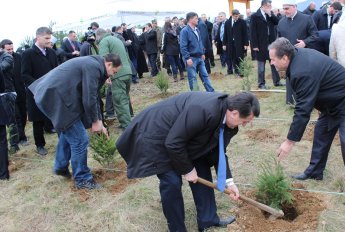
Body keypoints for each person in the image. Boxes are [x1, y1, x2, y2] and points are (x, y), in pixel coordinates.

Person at [116, 91, 260, 232]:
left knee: (202, 165)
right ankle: (177, 229)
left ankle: (208, 220)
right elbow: (173, 143)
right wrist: (188, 169)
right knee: (172, 181)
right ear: (234, 112)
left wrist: (229, 182)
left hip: (181, 137)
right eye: (245, 121)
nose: (245, 125)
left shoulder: (228, 121)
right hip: (155, 136)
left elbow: (217, 151)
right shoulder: (205, 110)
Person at [269, 38, 345, 206]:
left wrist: (289, 142)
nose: (271, 63)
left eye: (273, 59)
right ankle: (315, 171)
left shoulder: (302, 70)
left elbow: (303, 110)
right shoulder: (298, 58)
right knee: (321, 132)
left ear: (285, 57)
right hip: (331, 103)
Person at [28, 53, 121, 189]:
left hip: (50, 95)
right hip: (54, 97)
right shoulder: (94, 66)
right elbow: (89, 97)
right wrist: (95, 122)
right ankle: (82, 179)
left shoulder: (93, 63)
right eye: (114, 71)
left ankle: (60, 166)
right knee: (80, 139)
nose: (112, 75)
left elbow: (93, 96)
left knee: (69, 132)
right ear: (108, 64)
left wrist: (100, 122)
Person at [21, 27, 59, 156]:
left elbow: (57, 71)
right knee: (38, 120)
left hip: (52, 91)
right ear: (38, 37)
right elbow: (25, 75)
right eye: (46, 38)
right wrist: (40, 86)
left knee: (57, 116)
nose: (50, 41)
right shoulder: (28, 54)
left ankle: (62, 141)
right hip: (36, 92)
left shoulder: (52, 53)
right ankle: (40, 145)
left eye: (50, 38)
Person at [278, 0, 319, 105]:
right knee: (290, 77)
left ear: (295, 7)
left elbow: (315, 35)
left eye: (287, 8)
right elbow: (278, 39)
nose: (285, 11)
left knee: (304, 78)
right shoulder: (281, 22)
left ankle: (306, 100)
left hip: (303, 55)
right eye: (284, 9)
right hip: (287, 56)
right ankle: (291, 100)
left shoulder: (306, 18)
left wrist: (305, 42)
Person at [96, 28, 134, 130]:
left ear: (98, 36)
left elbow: (104, 60)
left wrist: (106, 76)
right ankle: (129, 118)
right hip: (127, 71)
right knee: (125, 97)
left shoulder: (104, 41)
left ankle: (127, 126)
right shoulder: (116, 39)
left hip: (117, 74)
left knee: (119, 100)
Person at [1, 39, 29, 146]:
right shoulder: (2, 60)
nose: (10, 51)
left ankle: (21, 133)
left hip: (21, 89)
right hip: (9, 92)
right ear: (3, 49)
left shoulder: (19, 57)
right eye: (8, 49)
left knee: (23, 113)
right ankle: (21, 137)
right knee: (16, 115)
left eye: (12, 48)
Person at [179, 12, 215, 92]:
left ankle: (211, 93)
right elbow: (183, 46)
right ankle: (196, 95)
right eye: (196, 18)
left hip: (199, 57)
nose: (198, 20)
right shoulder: (184, 31)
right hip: (191, 58)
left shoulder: (197, 29)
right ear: (191, 20)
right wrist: (187, 58)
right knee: (193, 78)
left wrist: (202, 52)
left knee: (205, 76)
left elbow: (200, 42)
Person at [250, 0, 281, 89]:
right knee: (261, 66)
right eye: (268, 6)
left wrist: (271, 14)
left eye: (270, 6)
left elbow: (277, 22)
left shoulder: (269, 15)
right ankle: (261, 84)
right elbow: (252, 32)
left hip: (271, 43)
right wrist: (254, 45)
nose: (270, 8)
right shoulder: (255, 16)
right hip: (260, 45)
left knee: (274, 63)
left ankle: (277, 81)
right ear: (263, 6)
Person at [223, 9, 249, 77]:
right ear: (232, 15)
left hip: (240, 43)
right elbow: (225, 34)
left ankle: (242, 72)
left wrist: (246, 44)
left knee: (240, 57)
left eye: (238, 16)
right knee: (233, 58)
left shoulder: (242, 22)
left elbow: (245, 33)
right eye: (235, 16)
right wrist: (224, 44)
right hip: (230, 44)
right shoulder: (227, 23)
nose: (237, 17)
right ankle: (236, 71)